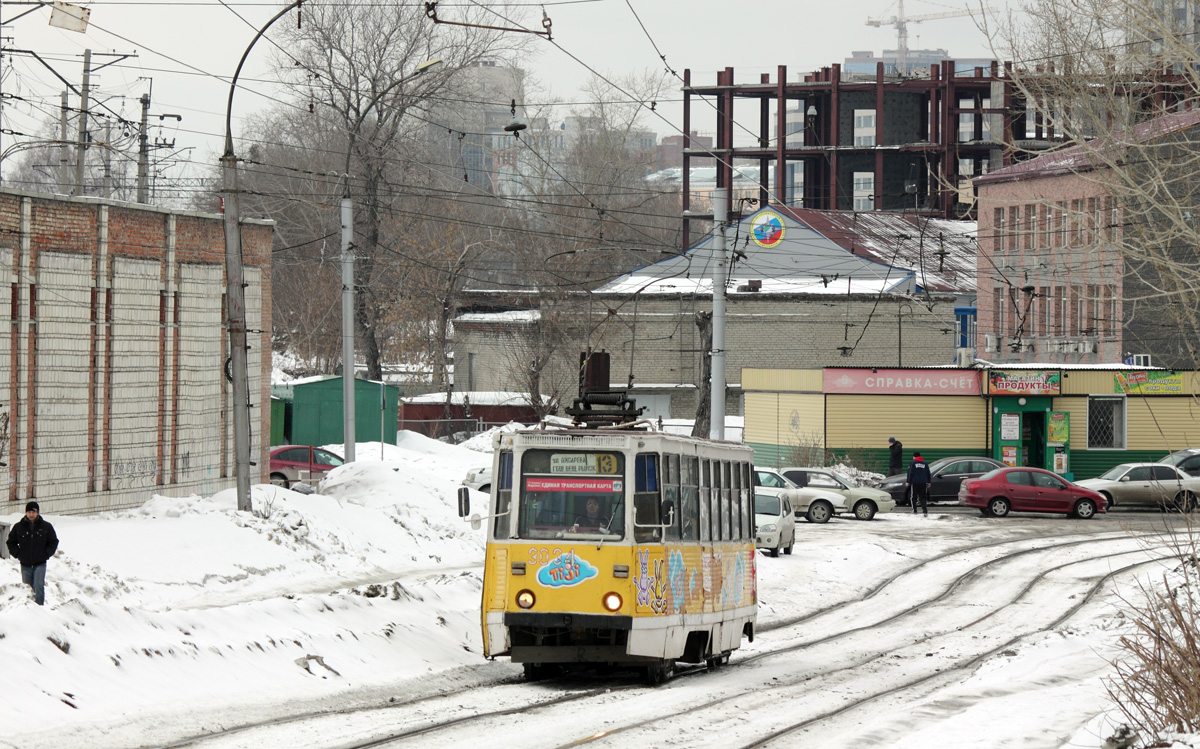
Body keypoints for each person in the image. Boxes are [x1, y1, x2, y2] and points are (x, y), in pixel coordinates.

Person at [6, 501, 59, 606]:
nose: (31, 514)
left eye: (33, 512)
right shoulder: (18, 527)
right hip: (25, 564)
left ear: (38, 513)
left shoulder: (46, 527)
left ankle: (39, 608)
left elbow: (53, 542)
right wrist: (18, 554)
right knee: (27, 588)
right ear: (26, 513)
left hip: (40, 563)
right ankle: (29, 609)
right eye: (29, 512)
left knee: (38, 586)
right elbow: (11, 542)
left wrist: (46, 554)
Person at [905, 452, 932, 517]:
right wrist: (929, 482)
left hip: (914, 483)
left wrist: (908, 481)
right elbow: (928, 473)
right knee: (923, 497)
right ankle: (925, 510)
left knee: (913, 497)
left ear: (914, 457)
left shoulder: (912, 463)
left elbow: (910, 472)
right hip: (923, 483)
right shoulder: (925, 463)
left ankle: (914, 510)